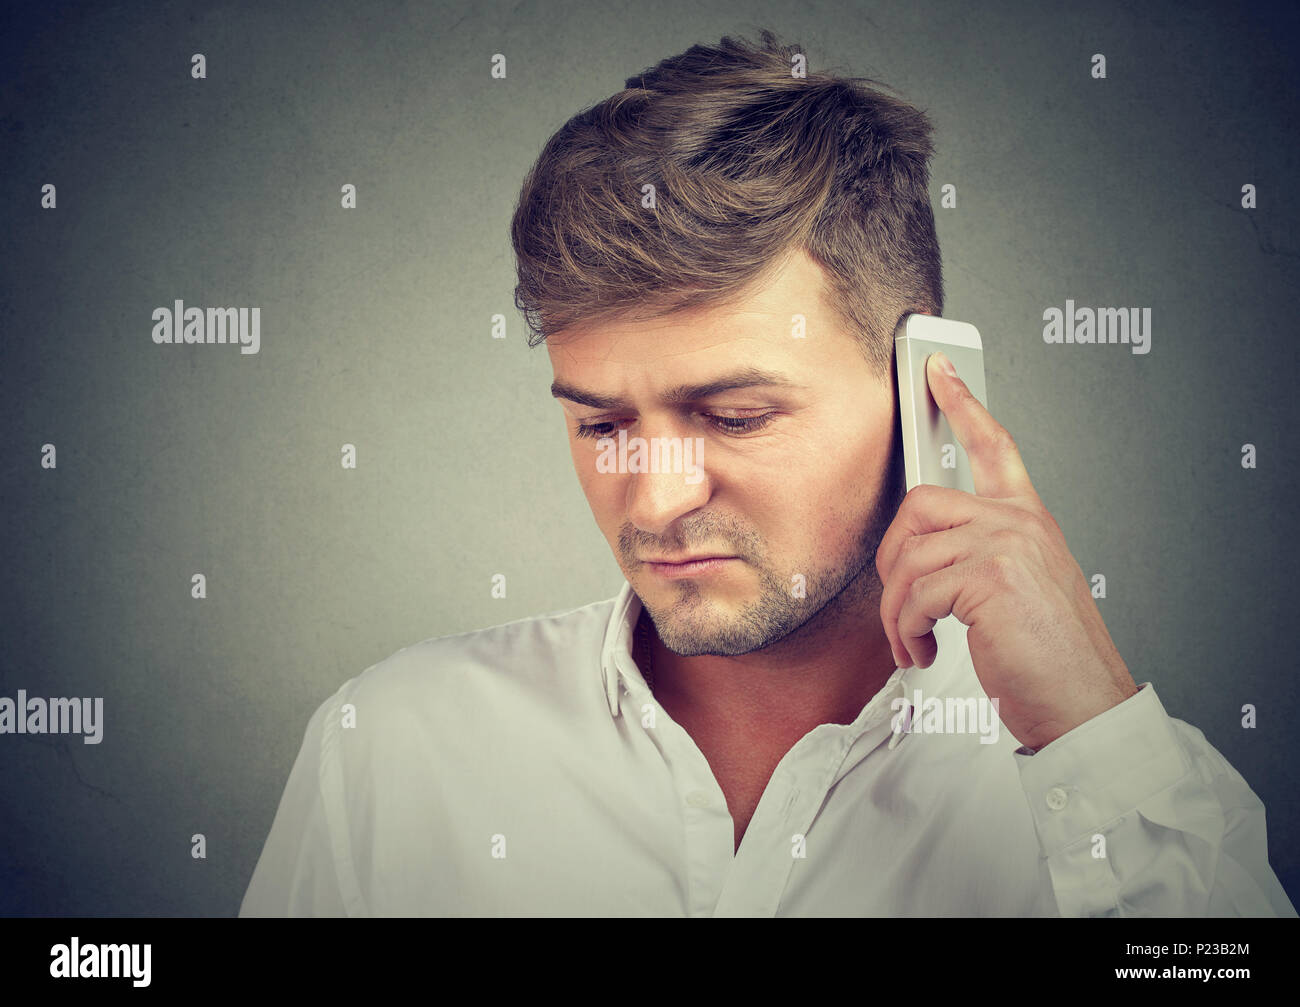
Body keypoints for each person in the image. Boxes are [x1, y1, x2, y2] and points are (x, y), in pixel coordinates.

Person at [240, 30, 1295, 916]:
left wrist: (1096, 740)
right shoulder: (388, 753)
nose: (653, 501)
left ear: (925, 382)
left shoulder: (1119, 792)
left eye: (735, 415)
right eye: (603, 424)